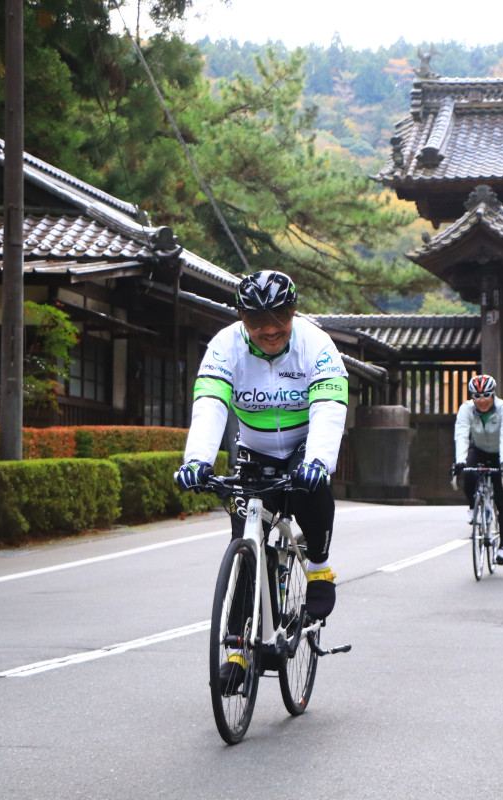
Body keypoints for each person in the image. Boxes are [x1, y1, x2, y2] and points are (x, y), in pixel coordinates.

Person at [174, 270, 348, 690]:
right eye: (257, 322)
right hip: (252, 448)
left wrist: (319, 460)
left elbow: (328, 406)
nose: (270, 330)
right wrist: (197, 460)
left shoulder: (316, 345)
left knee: (313, 493)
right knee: (246, 544)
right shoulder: (225, 346)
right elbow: (211, 404)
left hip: (303, 445)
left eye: (280, 320)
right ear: (241, 317)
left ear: (294, 312)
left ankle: (320, 569)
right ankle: (238, 649)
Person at [453, 374, 503, 565]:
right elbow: (462, 433)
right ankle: (473, 505)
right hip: (478, 450)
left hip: (498, 453)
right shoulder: (466, 409)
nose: (481, 401)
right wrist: (460, 461)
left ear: (493, 395)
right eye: (477, 396)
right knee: (469, 474)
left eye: (486, 395)